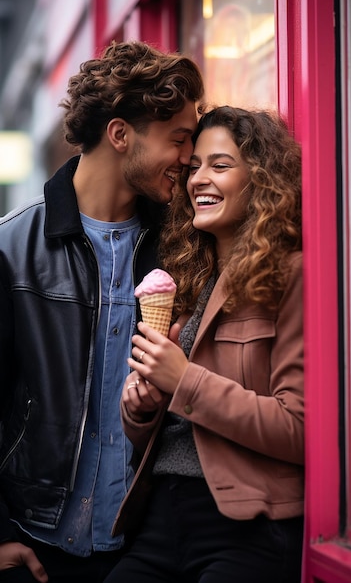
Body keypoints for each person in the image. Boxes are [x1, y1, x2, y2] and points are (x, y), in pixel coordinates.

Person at [0, 40, 204, 583]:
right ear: (120, 134)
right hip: (32, 542)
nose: (188, 159)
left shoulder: (184, 251)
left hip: (145, 550)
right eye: (178, 140)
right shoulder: (10, 249)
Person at [105, 105, 304, 583]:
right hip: (158, 516)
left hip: (243, 525)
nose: (198, 180)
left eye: (219, 165)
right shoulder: (186, 280)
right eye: (194, 167)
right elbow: (161, 430)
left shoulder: (292, 275)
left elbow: (300, 428)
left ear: (261, 178)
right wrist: (142, 409)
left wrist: (184, 380)